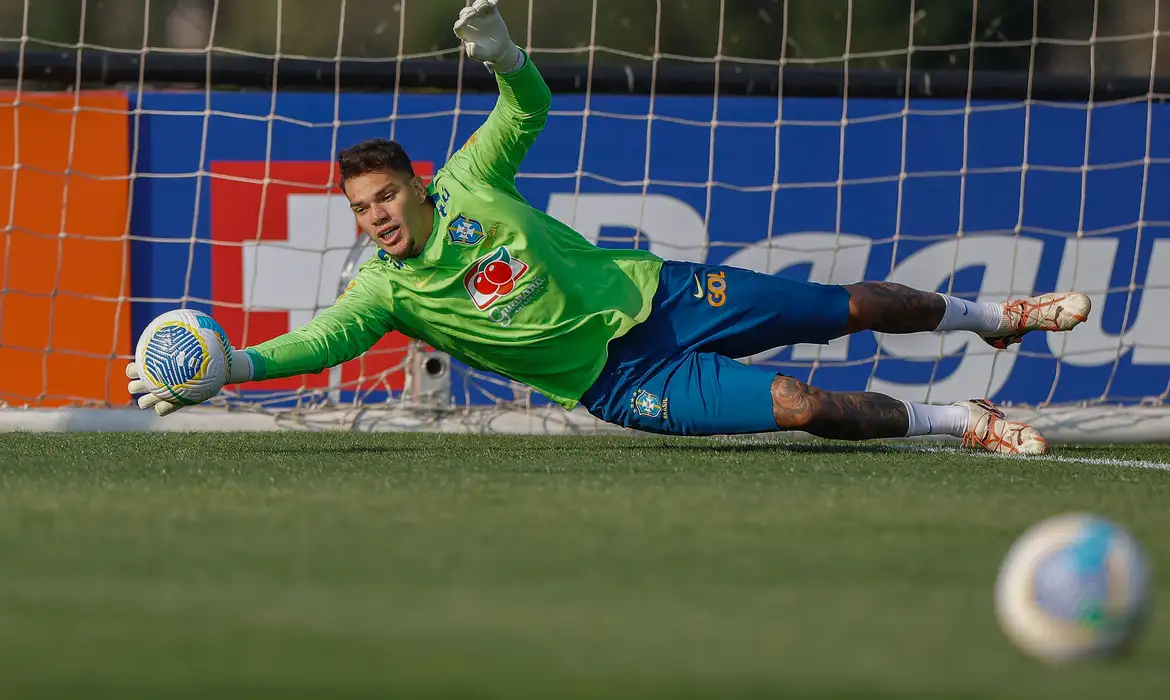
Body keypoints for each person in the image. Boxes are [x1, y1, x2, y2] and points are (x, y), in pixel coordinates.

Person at [127, 0, 1090, 455]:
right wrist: (233, 368)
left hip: (659, 296)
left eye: (382, 198)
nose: (374, 218)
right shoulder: (385, 291)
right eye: (360, 209)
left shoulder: (469, 178)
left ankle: (991, 313)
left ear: (415, 186)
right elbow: (321, 340)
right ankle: (963, 422)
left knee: (841, 306)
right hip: (625, 380)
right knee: (801, 406)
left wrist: (505, 57)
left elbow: (526, 113)